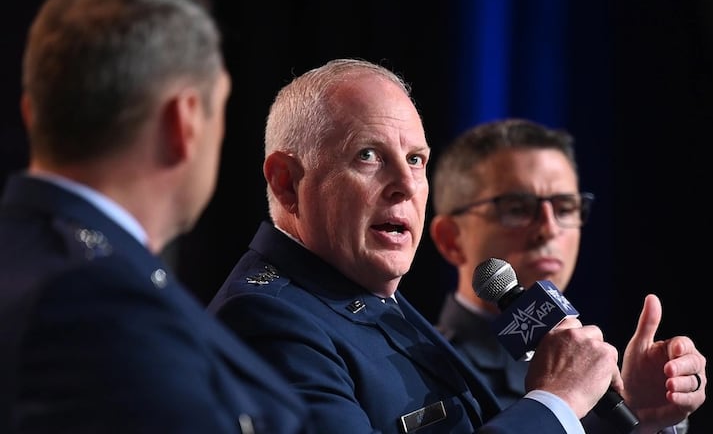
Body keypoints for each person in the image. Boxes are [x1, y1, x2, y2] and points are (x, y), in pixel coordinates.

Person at [209, 57, 631, 434]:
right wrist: (555, 404)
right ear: (287, 183)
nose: (406, 185)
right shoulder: (265, 319)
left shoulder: (366, 297)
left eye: (415, 160)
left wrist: (638, 417)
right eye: (368, 155)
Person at [0, 0, 315, 432]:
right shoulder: (93, 304)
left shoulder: (41, 263)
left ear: (32, 112)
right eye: (221, 106)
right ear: (185, 122)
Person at [428, 117, 708, 433]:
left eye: (564, 208)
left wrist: (643, 417)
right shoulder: (428, 372)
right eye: (517, 209)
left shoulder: (600, 366)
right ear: (451, 239)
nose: (549, 229)